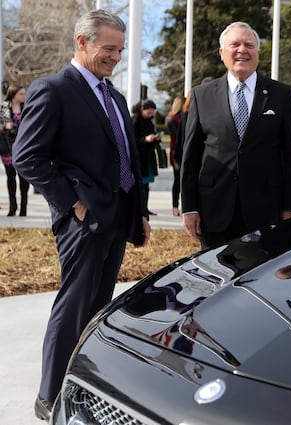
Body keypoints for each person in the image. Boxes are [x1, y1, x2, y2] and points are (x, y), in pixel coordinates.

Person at [12, 9, 151, 420]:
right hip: (83, 222)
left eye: (120, 51)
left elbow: (126, 155)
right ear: (82, 42)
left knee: (97, 307)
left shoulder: (116, 95)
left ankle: (84, 383)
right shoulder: (54, 90)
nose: (115, 58)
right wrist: (72, 202)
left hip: (118, 216)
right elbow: (27, 156)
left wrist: (139, 211)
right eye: (109, 49)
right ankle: (51, 395)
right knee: (73, 307)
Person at [181, 21, 291, 249]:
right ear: (221, 52)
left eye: (249, 45)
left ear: (257, 52)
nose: (242, 50)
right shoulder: (201, 95)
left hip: (267, 212)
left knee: (262, 281)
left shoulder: (281, 94)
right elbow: (191, 158)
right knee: (217, 281)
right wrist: (189, 207)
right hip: (214, 212)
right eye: (234, 44)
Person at [0, 85, 29, 216]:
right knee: (11, 178)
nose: (24, 96)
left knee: (24, 179)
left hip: (24, 148)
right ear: (14, 95)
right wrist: (5, 126)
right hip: (8, 147)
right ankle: (13, 207)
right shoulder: (4, 107)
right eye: (21, 94)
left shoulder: (28, 106)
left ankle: (23, 208)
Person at [132, 99, 160, 216]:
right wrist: (144, 139)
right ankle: (138, 208)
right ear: (142, 109)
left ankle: (145, 208)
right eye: (149, 112)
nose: (150, 115)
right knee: (139, 186)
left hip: (148, 156)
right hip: (139, 157)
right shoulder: (135, 120)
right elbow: (131, 139)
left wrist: (155, 139)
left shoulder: (150, 121)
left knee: (146, 185)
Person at [166, 95, 184, 216]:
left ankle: (184, 205)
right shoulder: (172, 119)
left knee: (185, 180)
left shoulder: (184, 117)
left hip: (184, 151)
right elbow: (178, 136)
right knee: (177, 180)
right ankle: (175, 206)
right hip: (176, 152)